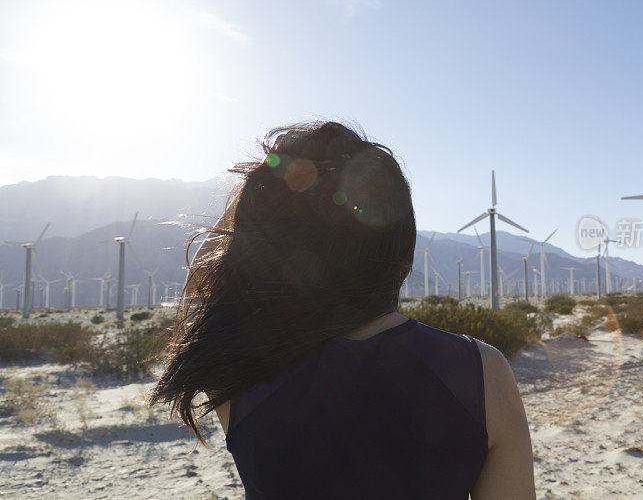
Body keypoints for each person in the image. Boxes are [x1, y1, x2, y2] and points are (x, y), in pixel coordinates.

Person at [150, 121, 535, 499]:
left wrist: (265, 191)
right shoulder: (481, 373)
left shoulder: (240, 373)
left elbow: (204, 290)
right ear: (401, 242)